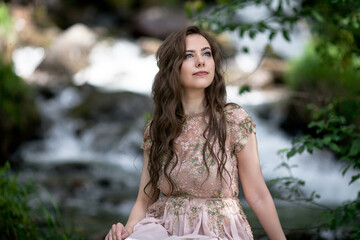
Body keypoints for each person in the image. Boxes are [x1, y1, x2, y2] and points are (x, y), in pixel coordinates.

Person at [105, 26, 286, 240]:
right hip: (164, 230)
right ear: (173, 67)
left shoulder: (233, 120)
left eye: (206, 53)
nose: (201, 61)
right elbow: (145, 201)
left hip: (217, 232)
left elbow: (258, 195)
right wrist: (125, 231)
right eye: (189, 55)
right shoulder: (157, 128)